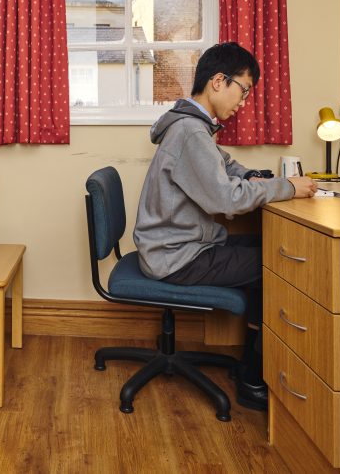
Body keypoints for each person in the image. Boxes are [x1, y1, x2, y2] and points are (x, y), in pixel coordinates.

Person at [133, 41, 317, 411]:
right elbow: (225, 200)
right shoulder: (190, 132)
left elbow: (225, 165)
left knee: (265, 250)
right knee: (277, 265)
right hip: (177, 256)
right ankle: (253, 375)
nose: (244, 102)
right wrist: (286, 187)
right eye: (244, 91)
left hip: (177, 247)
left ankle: (252, 363)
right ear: (219, 81)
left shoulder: (194, 126)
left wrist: (253, 177)